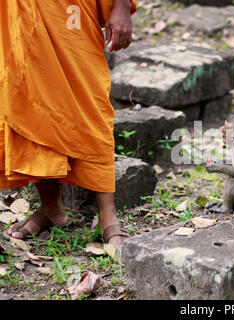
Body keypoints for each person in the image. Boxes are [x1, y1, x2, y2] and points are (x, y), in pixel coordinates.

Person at [0, 0, 136, 248]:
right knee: (33, 101)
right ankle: (51, 208)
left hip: (71, 13)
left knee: (87, 103)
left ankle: (108, 215)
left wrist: (122, 6)